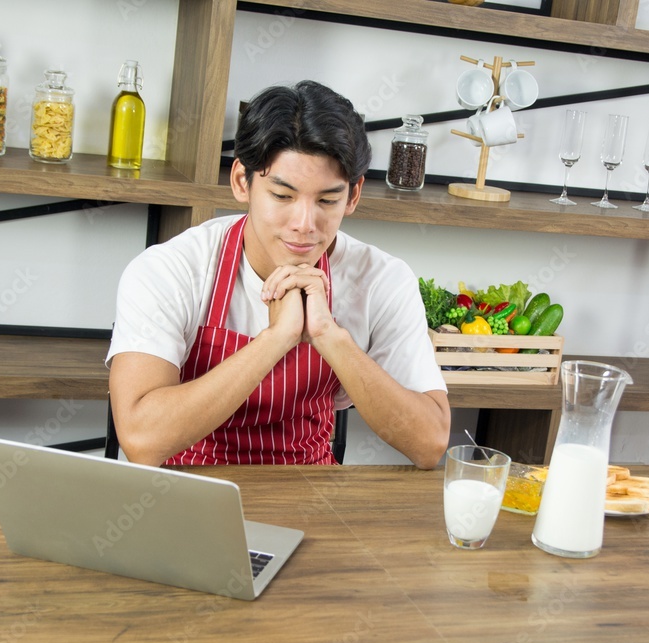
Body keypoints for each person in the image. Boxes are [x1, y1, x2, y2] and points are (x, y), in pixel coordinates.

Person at [106, 80, 450, 469]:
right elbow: (141, 439)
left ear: (353, 196)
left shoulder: (382, 279)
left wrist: (330, 337)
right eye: (283, 196)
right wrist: (276, 339)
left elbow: (430, 443)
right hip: (186, 490)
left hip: (312, 492)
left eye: (327, 200)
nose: (304, 224)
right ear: (242, 181)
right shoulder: (172, 268)